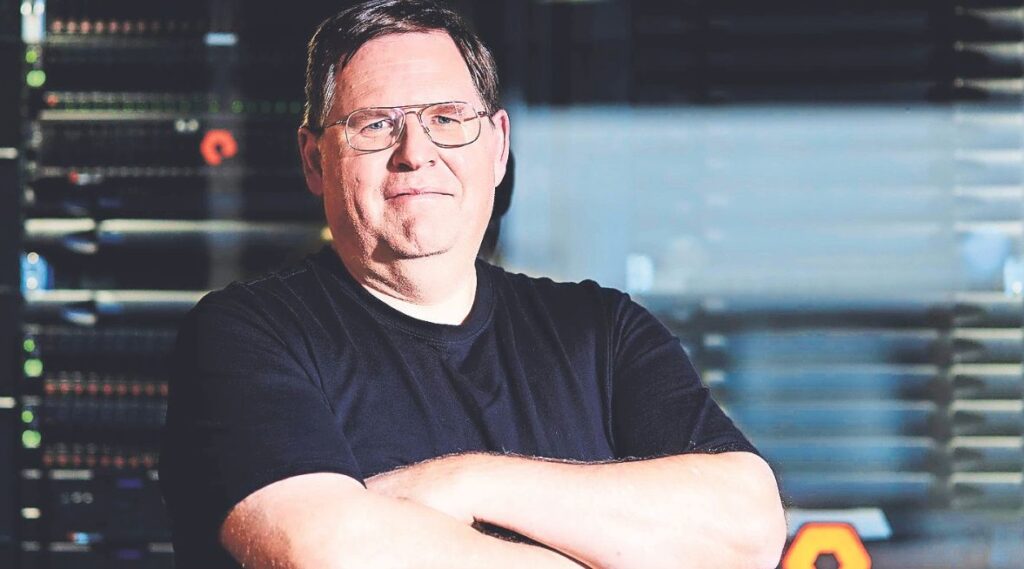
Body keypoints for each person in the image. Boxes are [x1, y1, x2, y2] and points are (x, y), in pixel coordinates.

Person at [158, 1, 787, 567]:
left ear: (499, 145)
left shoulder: (603, 332)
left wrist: (460, 483)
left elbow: (749, 531)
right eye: (374, 124)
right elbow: (328, 551)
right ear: (314, 159)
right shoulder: (247, 337)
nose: (415, 152)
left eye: (448, 117)